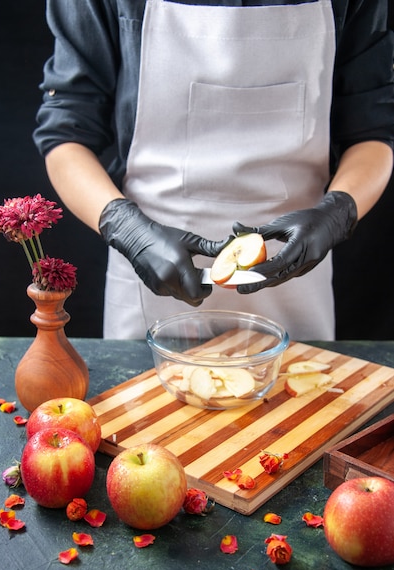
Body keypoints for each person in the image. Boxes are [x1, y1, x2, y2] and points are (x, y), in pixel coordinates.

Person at [33, 0, 394, 341]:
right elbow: (66, 134)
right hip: (152, 268)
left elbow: (373, 132)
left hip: (298, 274)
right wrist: (124, 227)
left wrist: (338, 213)